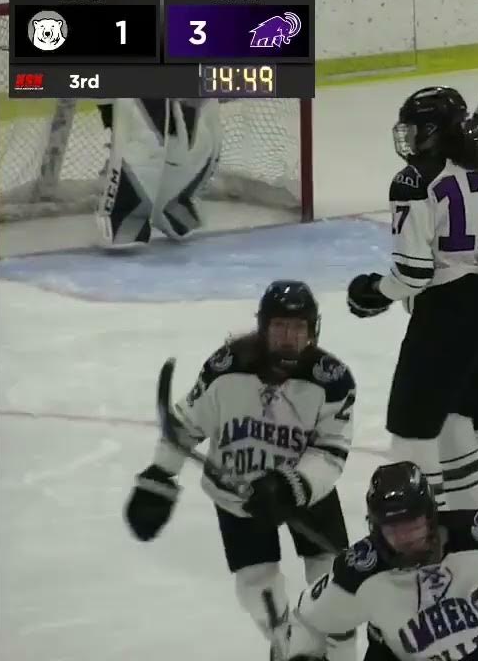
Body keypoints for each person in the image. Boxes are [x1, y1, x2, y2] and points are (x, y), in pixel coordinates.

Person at [122, 280, 357, 661]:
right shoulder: (225, 368)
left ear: (313, 331)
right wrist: (159, 476)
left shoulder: (332, 381)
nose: (288, 337)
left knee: (334, 579)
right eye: (280, 326)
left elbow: (331, 452)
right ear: (263, 327)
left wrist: (288, 487)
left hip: (305, 492)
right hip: (239, 495)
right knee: (255, 583)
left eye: (299, 328)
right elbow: (184, 424)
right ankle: (292, 648)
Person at [345, 87, 478, 512]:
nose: (408, 138)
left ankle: (423, 531)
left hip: (444, 315)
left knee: (412, 429)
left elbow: (413, 272)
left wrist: (374, 291)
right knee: (456, 416)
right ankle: (472, 522)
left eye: (415, 128)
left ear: (432, 131)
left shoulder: (413, 181)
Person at [283, 461, 478, 661]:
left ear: (431, 517)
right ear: (375, 527)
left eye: (414, 524)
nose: (405, 536)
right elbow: (306, 621)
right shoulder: (358, 571)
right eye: (392, 527)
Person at [83, 0, 220, 247]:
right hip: (123, 83)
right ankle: (123, 217)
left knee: (202, 140)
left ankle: (173, 203)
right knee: (143, 145)